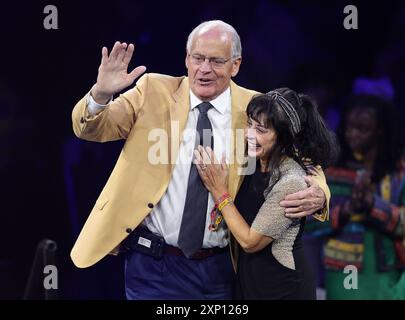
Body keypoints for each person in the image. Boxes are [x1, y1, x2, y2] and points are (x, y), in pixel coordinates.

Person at [70, 20, 330, 299]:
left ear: (236, 65)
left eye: (217, 61)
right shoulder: (152, 91)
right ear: (186, 59)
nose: (205, 69)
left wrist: (320, 192)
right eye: (198, 58)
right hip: (153, 264)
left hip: (222, 267)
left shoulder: (255, 107)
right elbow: (91, 128)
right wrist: (101, 93)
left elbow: (302, 157)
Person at [194, 88, 338, 299]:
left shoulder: (291, 181)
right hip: (250, 284)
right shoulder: (253, 160)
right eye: (250, 124)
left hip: (282, 289)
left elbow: (250, 242)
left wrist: (219, 193)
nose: (250, 135)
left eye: (261, 130)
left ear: (283, 137)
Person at [307, 94, 405, 299]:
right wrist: (345, 211)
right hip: (345, 269)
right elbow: (308, 223)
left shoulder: (397, 173)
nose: (353, 134)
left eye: (362, 129)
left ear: (380, 131)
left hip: (389, 272)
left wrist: (373, 206)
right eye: (349, 127)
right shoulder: (332, 172)